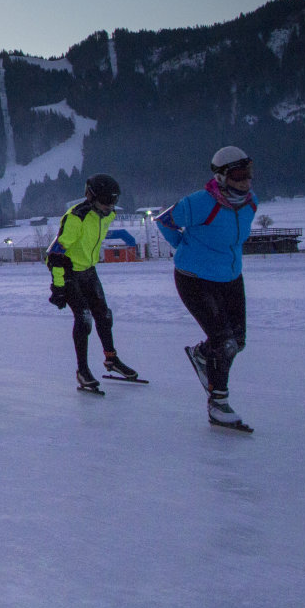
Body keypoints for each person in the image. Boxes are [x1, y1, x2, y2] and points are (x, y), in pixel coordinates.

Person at [157, 147, 257, 430]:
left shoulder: (251, 203)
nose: (245, 181)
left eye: (248, 174)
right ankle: (218, 404)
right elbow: (164, 221)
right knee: (224, 343)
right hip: (194, 278)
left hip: (231, 278)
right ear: (222, 176)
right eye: (238, 175)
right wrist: (182, 245)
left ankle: (202, 354)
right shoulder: (200, 203)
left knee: (237, 342)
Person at [46, 173, 140, 393]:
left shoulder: (107, 215)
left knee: (104, 316)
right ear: (90, 196)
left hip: (88, 271)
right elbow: (54, 255)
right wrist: (58, 286)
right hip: (68, 272)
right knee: (84, 319)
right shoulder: (76, 217)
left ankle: (111, 359)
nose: (109, 207)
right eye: (105, 202)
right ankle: (82, 370)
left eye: (113, 202)